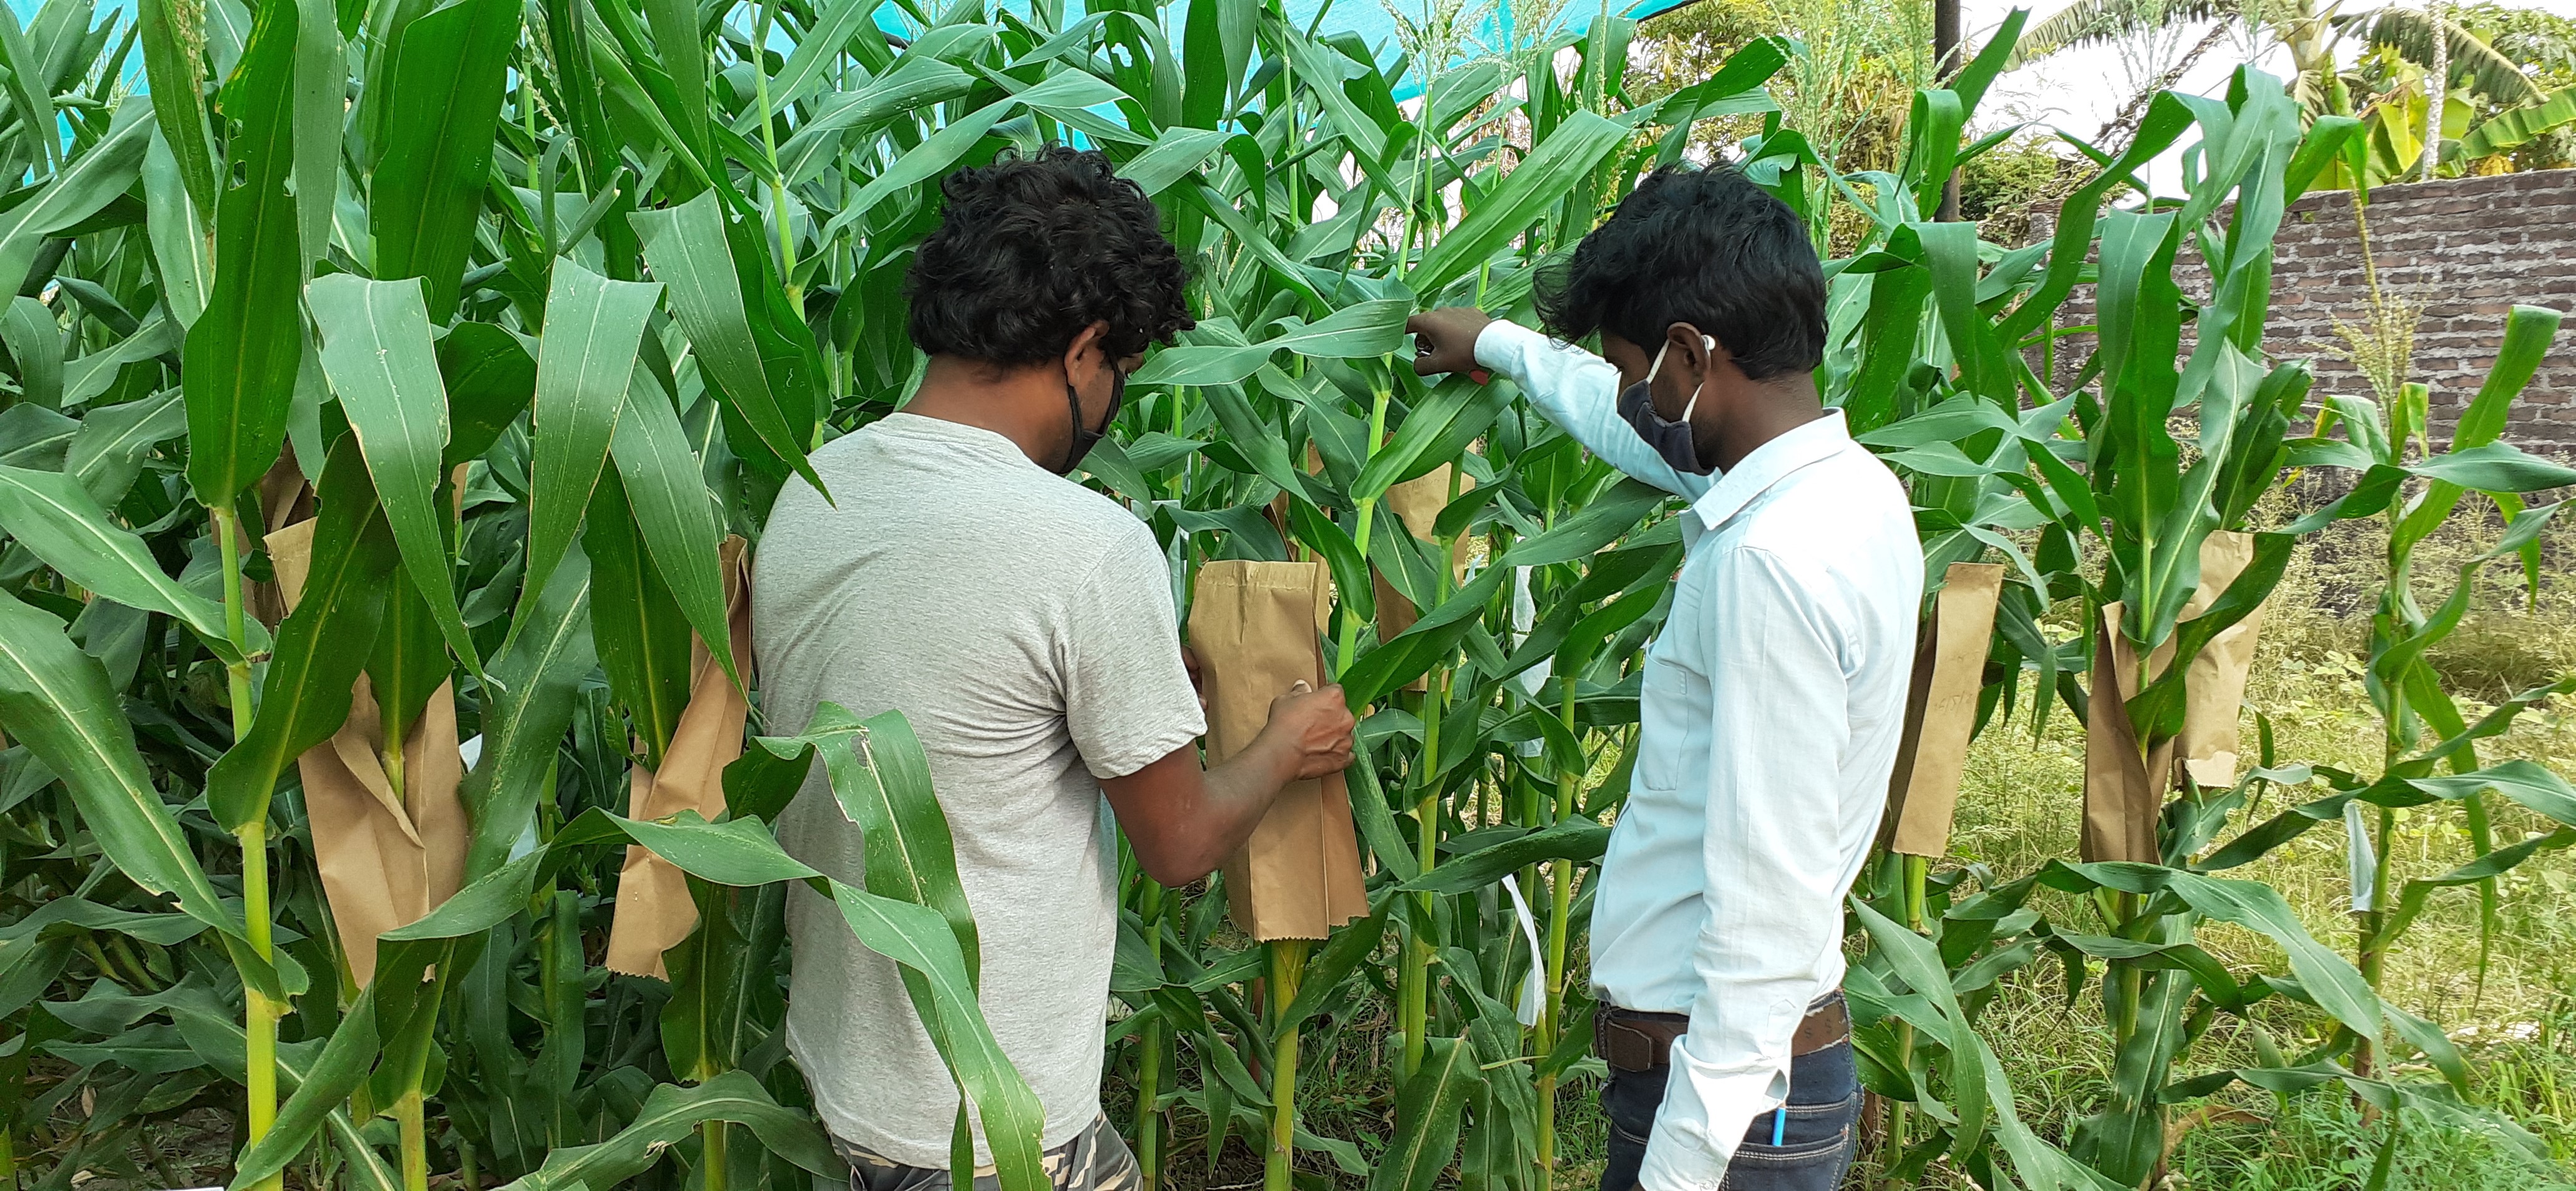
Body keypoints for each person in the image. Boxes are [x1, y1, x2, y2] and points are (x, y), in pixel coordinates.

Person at [754, 146, 1358, 1191]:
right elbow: (1180, 847)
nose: (1116, 398)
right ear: (1084, 353)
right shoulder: (1083, 545)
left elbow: (939, 691)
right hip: (993, 1127)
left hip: (846, 1089)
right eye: (1121, 372)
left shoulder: (815, 487)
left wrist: (1130, 687)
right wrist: (1283, 745)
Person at [1409, 163, 1923, 1191]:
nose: (1635, 403)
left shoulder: (1768, 566)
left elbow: (1766, 912)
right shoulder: (1844, 491)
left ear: (1691, 356)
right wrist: (1503, 348)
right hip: (1758, 1086)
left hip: (1726, 1107)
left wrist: (1681, 1169)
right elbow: (1633, 427)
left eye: (1637, 371)